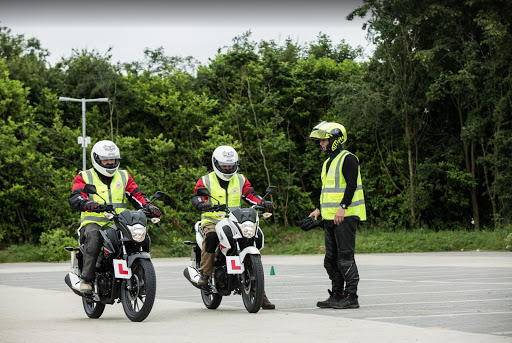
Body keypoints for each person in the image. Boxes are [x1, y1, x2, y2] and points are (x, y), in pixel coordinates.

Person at [68, 140, 160, 295]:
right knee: (95, 236)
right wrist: (88, 203)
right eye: (106, 160)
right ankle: (86, 279)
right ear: (96, 159)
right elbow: (75, 198)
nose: (110, 163)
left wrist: (148, 206)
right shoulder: (85, 176)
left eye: (113, 159)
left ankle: (139, 272)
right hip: (94, 222)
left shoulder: (123, 176)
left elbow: (136, 194)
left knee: (138, 236)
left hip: (118, 221)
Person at [191, 145, 276, 310]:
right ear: (216, 164)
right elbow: (197, 197)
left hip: (234, 220)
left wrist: (263, 202)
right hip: (212, 221)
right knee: (212, 237)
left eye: (230, 165)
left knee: (251, 240)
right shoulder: (206, 180)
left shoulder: (240, 179)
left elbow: (250, 194)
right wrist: (203, 204)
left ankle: (260, 293)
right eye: (224, 166)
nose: (228, 168)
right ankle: (205, 275)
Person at [303, 121, 366, 309]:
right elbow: (327, 190)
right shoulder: (327, 163)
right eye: (321, 141)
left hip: (346, 216)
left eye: (325, 140)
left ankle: (351, 297)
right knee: (330, 260)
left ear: (336, 140)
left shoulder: (348, 159)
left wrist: (343, 207)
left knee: (345, 258)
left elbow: (351, 185)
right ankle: (337, 294)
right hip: (330, 218)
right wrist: (318, 209)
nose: (321, 144)